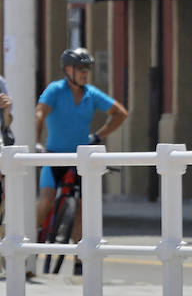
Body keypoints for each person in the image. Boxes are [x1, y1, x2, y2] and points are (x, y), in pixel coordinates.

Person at [34, 47, 129, 269]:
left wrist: (97, 136)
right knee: (46, 200)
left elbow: (121, 113)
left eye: (87, 69)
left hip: (81, 158)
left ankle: (80, 259)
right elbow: (39, 113)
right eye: (80, 69)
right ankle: (29, 245)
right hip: (55, 157)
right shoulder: (55, 90)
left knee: (83, 207)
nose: (85, 73)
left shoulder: (91, 93)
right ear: (68, 70)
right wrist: (37, 142)